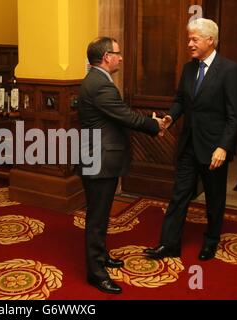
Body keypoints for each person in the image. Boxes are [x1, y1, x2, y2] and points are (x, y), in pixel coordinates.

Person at [145, 18, 237, 261]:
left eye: (194, 39)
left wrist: (223, 147)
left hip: (214, 148)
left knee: (214, 198)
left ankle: (211, 241)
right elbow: (180, 99)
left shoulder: (230, 70)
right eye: (189, 38)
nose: (189, 43)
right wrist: (169, 118)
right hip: (188, 144)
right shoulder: (189, 68)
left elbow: (235, 116)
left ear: (210, 40)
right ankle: (169, 244)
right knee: (179, 194)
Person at [77, 37, 163, 294]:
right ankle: (96, 273)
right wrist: (154, 124)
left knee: (101, 215)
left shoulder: (98, 80)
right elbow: (124, 115)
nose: (121, 57)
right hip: (99, 160)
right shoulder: (100, 85)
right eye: (118, 53)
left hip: (99, 157)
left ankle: (101, 257)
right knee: (97, 218)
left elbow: (118, 114)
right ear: (106, 57)